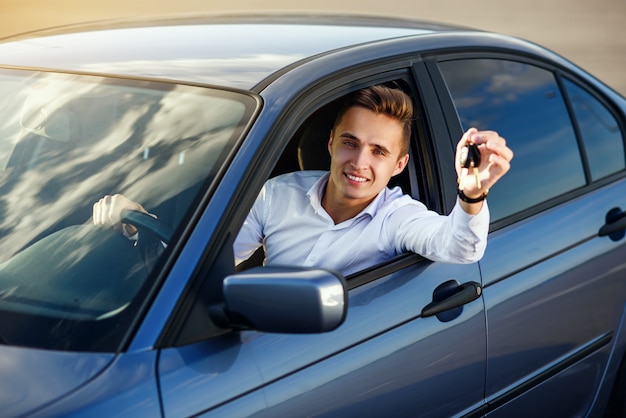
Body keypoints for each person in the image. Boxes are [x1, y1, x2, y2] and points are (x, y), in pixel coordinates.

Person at [93, 85, 513, 276]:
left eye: (378, 151)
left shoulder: (398, 217)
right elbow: (212, 261)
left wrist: (471, 193)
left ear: (399, 165)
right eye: (350, 143)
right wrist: (139, 224)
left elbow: (460, 247)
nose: (359, 162)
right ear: (330, 143)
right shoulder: (279, 193)